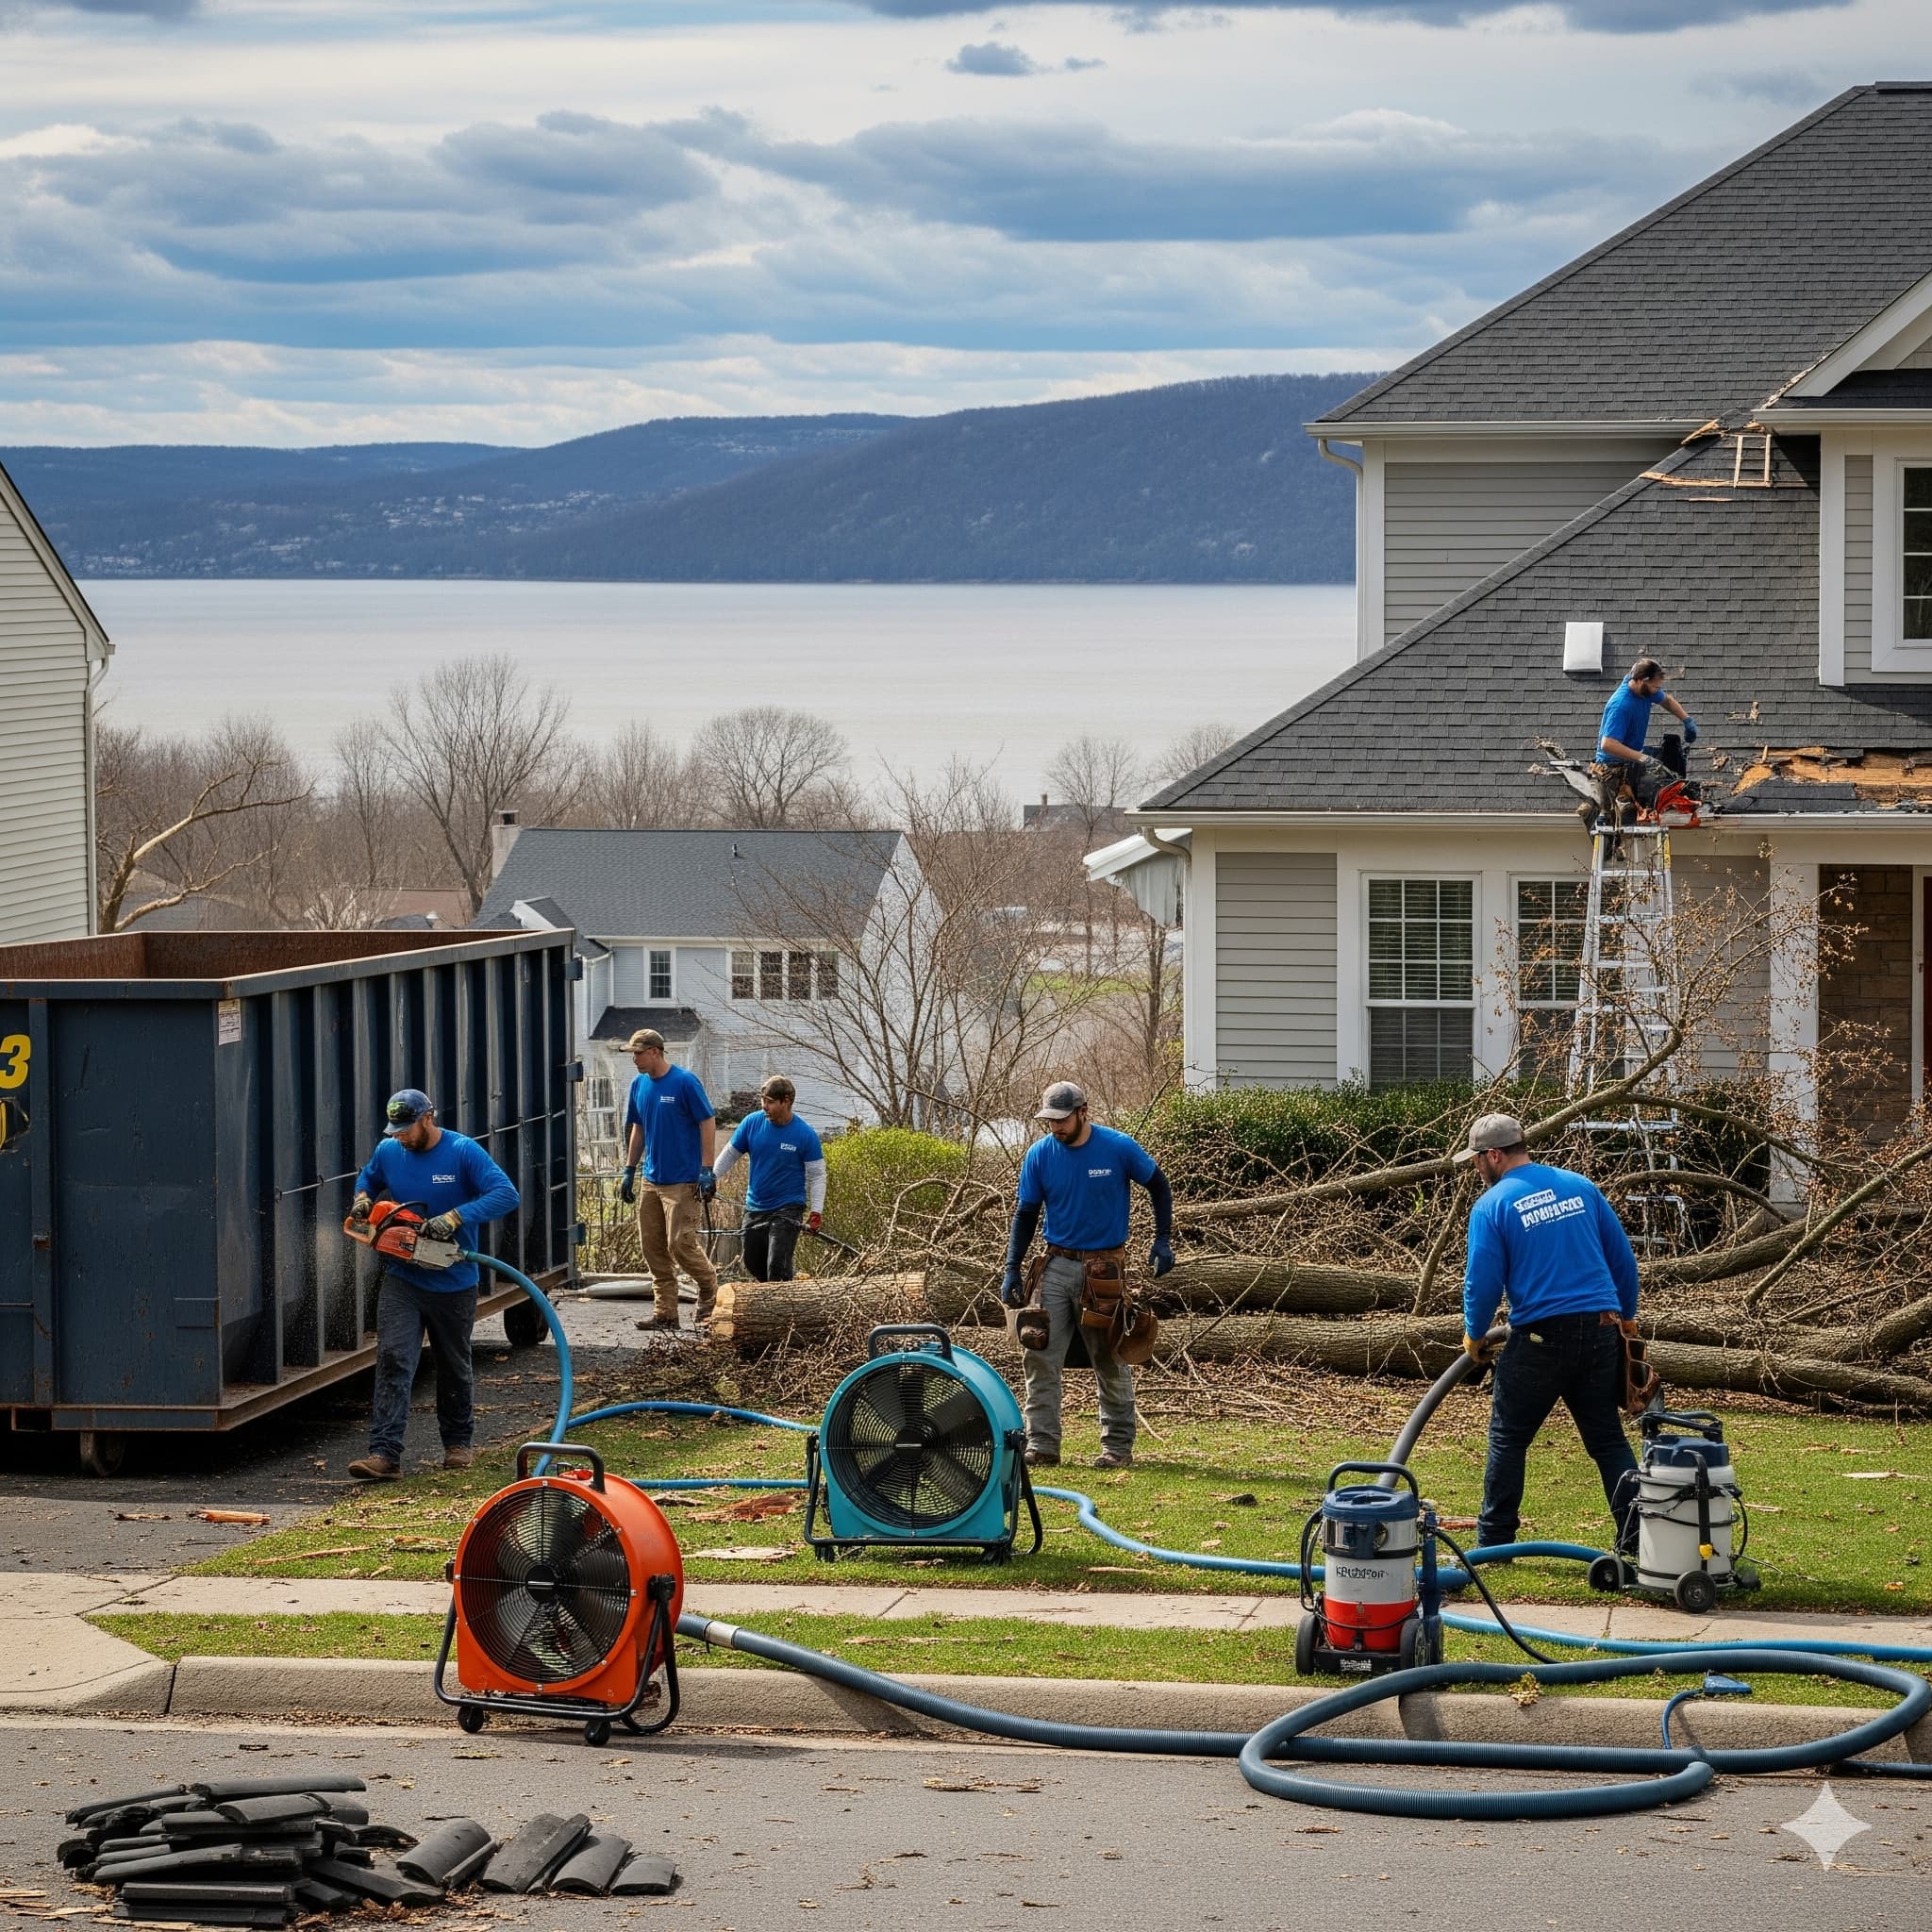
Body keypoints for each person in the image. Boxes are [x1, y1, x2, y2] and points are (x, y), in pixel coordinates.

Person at [1461, 1112, 1640, 1554]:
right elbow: (1623, 1263)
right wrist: (1628, 1320)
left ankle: (1493, 1543)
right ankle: (1640, 1542)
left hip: (1541, 1338)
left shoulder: (1493, 1205)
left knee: (1509, 1437)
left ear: (1495, 1155)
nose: (1475, 1169)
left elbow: (1483, 1281)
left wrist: (1474, 1333)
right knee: (1607, 1440)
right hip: (1601, 1332)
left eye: (1477, 1161)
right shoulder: (1580, 1187)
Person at [999, 1080, 1175, 1472]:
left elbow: (1159, 1186)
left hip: (1105, 1268)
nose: (1056, 1128)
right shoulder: (1040, 1155)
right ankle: (1043, 1444)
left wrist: (1163, 1239)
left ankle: (1117, 1447)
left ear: (1083, 1112)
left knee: (1109, 1356)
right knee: (1039, 1353)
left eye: (1062, 1120)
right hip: (1056, 1265)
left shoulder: (1118, 1147)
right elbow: (1026, 1215)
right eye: (1050, 1122)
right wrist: (1012, 1267)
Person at [345, 1088, 519, 1481]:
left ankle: (458, 1445)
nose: (401, 1136)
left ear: (428, 1118)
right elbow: (368, 1179)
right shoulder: (389, 1150)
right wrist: (361, 1199)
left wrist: (455, 1217)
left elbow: (506, 1193)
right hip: (403, 1276)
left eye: (407, 1128)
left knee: (453, 1366)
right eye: (395, 1130)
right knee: (393, 1360)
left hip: (454, 1281)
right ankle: (384, 1453)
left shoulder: (462, 1152)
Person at [617, 1028, 719, 1332]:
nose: (634, 1059)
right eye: (632, 1054)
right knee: (653, 1246)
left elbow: (707, 1121)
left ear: (655, 1052)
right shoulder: (639, 1085)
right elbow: (639, 1128)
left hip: (683, 1180)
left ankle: (709, 1289)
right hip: (652, 1178)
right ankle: (666, 1313)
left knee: (680, 1243)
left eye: (638, 1053)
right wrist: (629, 1168)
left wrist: (706, 1169)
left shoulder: (685, 1082)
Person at [712, 1075, 826, 1282]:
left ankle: (781, 1304)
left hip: (787, 1208)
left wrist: (816, 1211)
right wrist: (711, 1177)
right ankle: (780, 1296)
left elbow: (817, 1176)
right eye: (763, 1100)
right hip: (755, 1206)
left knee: (777, 1265)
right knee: (752, 1261)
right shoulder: (752, 1123)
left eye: (770, 1102)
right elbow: (730, 1154)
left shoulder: (805, 1135)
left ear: (786, 1101)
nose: (764, 1106)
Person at [1590, 655, 1697, 825]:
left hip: (1630, 762)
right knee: (1624, 816)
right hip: (1611, 770)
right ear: (1640, 680)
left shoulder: (1645, 691)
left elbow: (1667, 701)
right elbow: (1608, 744)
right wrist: (1643, 758)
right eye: (1654, 687)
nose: (1656, 691)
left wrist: (1687, 721)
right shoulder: (1621, 705)